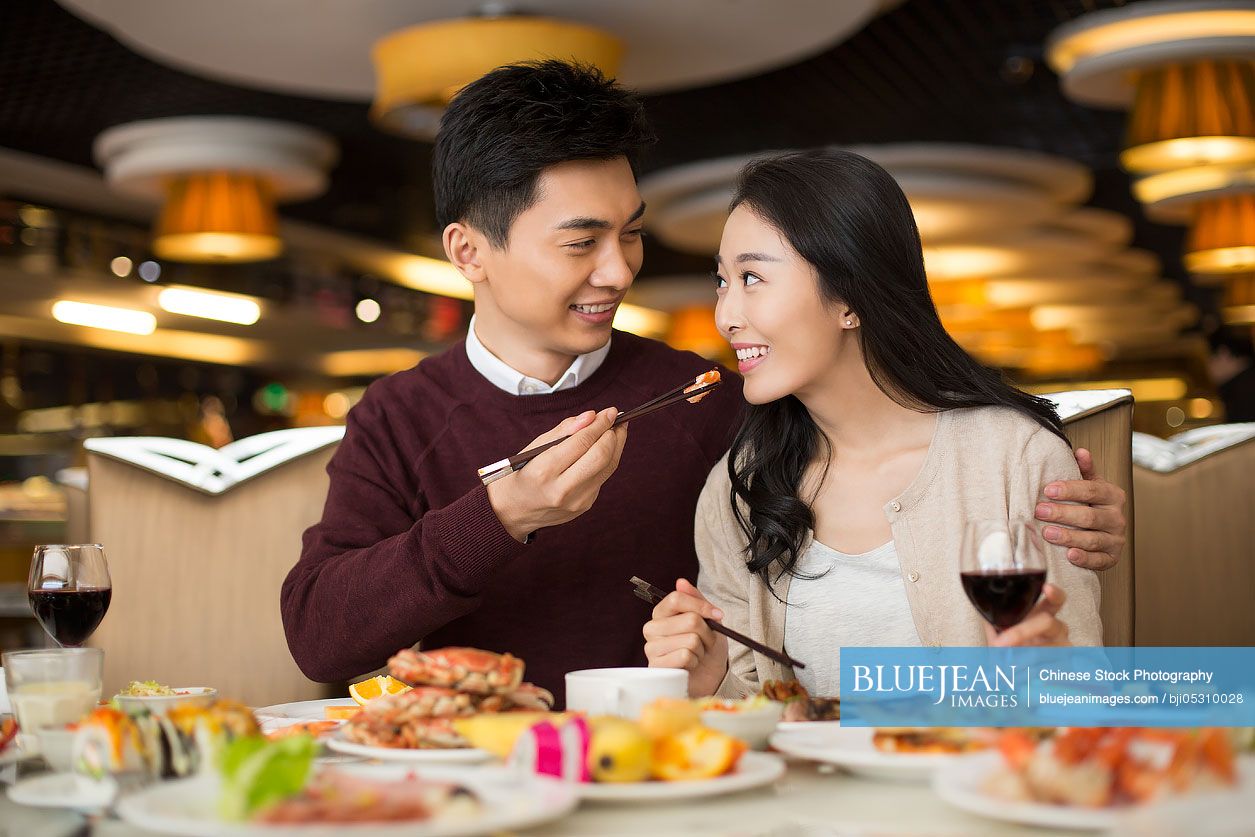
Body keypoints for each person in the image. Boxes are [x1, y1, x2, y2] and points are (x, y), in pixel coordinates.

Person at [281, 62, 1127, 703]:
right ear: (469, 251)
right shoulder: (396, 415)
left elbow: (902, 442)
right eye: (581, 242)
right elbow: (320, 637)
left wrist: (1061, 493)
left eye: (631, 234)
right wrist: (500, 513)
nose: (617, 271)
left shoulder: (710, 399)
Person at [643, 150, 1103, 699]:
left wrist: (1050, 680)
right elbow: (751, 721)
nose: (726, 315)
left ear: (851, 299)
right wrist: (709, 679)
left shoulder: (1014, 458)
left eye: (751, 277)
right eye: (721, 281)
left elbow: (1084, 700)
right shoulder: (740, 486)